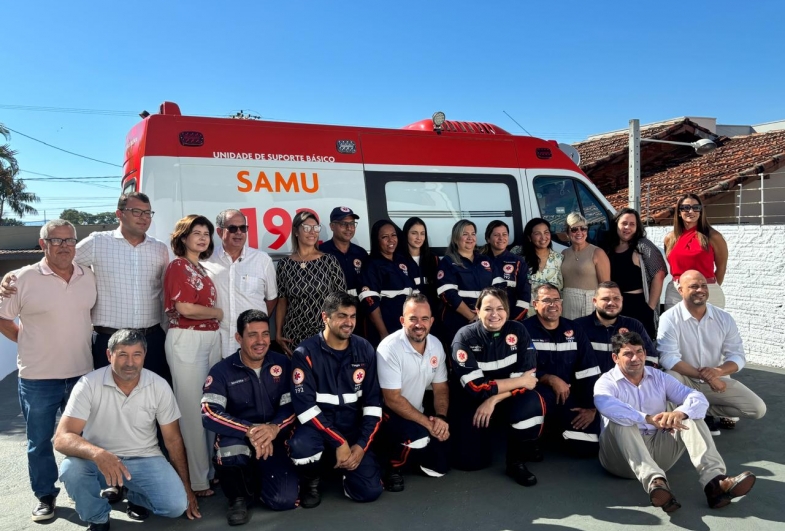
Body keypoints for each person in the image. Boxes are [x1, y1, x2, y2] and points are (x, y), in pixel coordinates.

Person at [0, 192, 171, 382]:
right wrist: (14, 275)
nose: (144, 218)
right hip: (109, 341)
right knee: (107, 397)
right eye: (136, 212)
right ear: (119, 214)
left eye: (147, 213)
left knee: (154, 393)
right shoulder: (98, 242)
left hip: (151, 340)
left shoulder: (159, 249)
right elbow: (58, 259)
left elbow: (165, 291)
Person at [595, 331, 756, 512]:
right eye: (628, 354)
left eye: (639, 352)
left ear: (645, 354)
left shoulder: (659, 377)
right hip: (620, 460)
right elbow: (606, 405)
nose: (635, 358)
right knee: (621, 420)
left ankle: (715, 483)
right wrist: (647, 419)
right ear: (615, 358)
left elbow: (696, 397)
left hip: (658, 454)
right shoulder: (606, 382)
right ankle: (654, 480)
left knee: (690, 416)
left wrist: (680, 413)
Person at [0, 220, 97, 522]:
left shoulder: (88, 276)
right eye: (56, 240)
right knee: (39, 441)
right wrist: (26, 340)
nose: (64, 246)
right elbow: (3, 318)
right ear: (43, 244)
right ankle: (45, 496)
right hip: (37, 378)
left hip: (81, 374)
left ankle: (88, 490)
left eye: (70, 240)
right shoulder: (21, 278)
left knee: (85, 436)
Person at [55, 330, 199, 530]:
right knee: (72, 469)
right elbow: (61, 438)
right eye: (122, 354)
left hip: (144, 457)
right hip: (99, 460)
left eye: (136, 354)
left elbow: (173, 440)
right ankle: (97, 517)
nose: (130, 362)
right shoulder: (88, 384)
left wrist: (187, 488)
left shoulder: (158, 385)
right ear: (109, 355)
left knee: (175, 506)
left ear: (144, 356)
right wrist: (97, 453)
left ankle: (135, 495)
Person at [201, 310, 297, 526]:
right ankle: (238, 499)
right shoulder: (222, 370)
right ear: (239, 338)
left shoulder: (282, 363)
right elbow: (209, 412)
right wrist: (250, 430)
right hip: (238, 437)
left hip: (273, 438)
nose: (260, 341)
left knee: (284, 500)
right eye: (252, 335)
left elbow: (293, 404)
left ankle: (255, 477)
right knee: (230, 451)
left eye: (265, 334)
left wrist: (274, 428)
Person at [287, 292, 383, 507]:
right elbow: (305, 409)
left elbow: (373, 405)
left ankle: (345, 472)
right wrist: (339, 442)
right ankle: (311, 480)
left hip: (352, 429)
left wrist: (360, 446)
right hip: (318, 430)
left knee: (370, 492)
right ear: (325, 317)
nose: (349, 322)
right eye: (342, 316)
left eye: (353, 316)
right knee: (302, 447)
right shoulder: (305, 353)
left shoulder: (365, 349)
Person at [450, 288, 543, 486]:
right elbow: (476, 388)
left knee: (531, 404)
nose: (495, 314)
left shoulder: (518, 330)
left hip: (505, 397)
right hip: (473, 401)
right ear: (477, 311)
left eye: (500, 308)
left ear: (507, 311)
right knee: (470, 462)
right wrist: (519, 382)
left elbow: (529, 379)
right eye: (488, 309)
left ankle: (516, 462)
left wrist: (494, 399)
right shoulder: (464, 337)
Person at [658, 270, 766, 434]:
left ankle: (700, 410)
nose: (700, 290)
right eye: (694, 286)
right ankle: (677, 432)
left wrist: (718, 372)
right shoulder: (669, 318)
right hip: (685, 379)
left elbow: (737, 355)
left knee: (757, 408)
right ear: (680, 290)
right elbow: (668, 358)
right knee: (670, 377)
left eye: (703, 285)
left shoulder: (724, 318)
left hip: (716, 380)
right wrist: (707, 376)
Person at [164, 214, 223, 497]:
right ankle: (197, 481)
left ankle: (208, 472)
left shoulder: (200, 268)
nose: (202, 238)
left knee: (209, 407)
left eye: (206, 234)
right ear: (183, 237)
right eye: (196, 233)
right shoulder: (178, 266)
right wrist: (218, 313)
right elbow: (185, 308)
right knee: (190, 412)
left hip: (209, 339)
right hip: (187, 339)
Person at [375, 293, 450, 492]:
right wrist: (428, 424)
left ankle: (413, 453)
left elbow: (441, 388)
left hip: (416, 412)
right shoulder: (389, 348)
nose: (419, 324)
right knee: (417, 435)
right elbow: (392, 399)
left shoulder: (436, 345)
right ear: (402, 321)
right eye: (413, 318)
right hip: (387, 414)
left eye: (424, 319)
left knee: (440, 468)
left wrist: (441, 418)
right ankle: (392, 467)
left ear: (431, 321)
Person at [523, 283, 601, 456]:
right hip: (536, 394)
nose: (553, 304)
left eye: (556, 300)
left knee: (587, 447)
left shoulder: (574, 329)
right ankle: (530, 440)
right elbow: (521, 370)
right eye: (547, 300)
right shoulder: (524, 330)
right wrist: (549, 378)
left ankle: (557, 432)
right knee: (531, 405)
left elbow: (589, 370)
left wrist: (591, 408)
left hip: (568, 395)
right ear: (535, 304)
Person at [203, 209, 278, 358]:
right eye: (232, 228)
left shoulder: (262, 260)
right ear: (219, 232)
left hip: (253, 346)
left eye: (243, 228)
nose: (239, 233)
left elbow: (271, 299)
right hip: (217, 343)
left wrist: (255, 324)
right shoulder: (206, 260)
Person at [275, 211, 347, 355]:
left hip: (326, 333)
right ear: (296, 231)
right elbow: (282, 302)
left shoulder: (329, 261)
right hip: (294, 334)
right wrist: (278, 334)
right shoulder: (284, 265)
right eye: (307, 228)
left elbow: (342, 300)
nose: (312, 232)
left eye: (316, 228)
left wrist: (340, 329)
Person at [436, 219, 505, 347]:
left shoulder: (485, 260)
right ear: (456, 239)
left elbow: (499, 289)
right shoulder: (448, 262)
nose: (470, 238)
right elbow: (448, 294)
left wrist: (488, 314)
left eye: (473, 234)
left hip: (486, 321)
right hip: (459, 322)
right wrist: (472, 317)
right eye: (465, 234)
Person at [603, 207, 667, 338]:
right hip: (615, 305)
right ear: (616, 224)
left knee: (639, 345)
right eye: (624, 223)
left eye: (632, 224)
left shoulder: (643, 245)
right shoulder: (609, 247)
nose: (627, 227)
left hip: (637, 306)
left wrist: (650, 308)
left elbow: (659, 273)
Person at [574, 281, 658, 373]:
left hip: (626, 382)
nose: (611, 303)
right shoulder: (578, 327)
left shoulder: (634, 325)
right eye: (605, 299)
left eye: (616, 298)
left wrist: (634, 377)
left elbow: (651, 359)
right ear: (595, 301)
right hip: (589, 382)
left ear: (622, 300)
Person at [663, 194, 728, 310]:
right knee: (675, 322)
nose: (691, 211)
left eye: (696, 207)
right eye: (686, 208)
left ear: (701, 211)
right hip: (676, 292)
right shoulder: (670, 238)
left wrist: (708, 288)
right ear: (679, 212)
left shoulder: (713, 237)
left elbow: (721, 268)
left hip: (705, 291)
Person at [360, 219, 418, 346]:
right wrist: (384, 334)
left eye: (393, 235)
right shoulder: (371, 265)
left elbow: (416, 296)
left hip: (407, 329)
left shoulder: (403, 261)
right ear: (377, 240)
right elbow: (371, 303)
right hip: (387, 329)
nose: (391, 240)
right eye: (385, 237)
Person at [560, 212, 610, 320]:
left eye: (583, 229)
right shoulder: (564, 253)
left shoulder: (598, 253)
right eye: (574, 229)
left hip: (589, 305)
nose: (579, 232)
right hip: (567, 305)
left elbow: (605, 287)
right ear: (567, 232)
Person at [479, 220, 531, 320]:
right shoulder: (478, 261)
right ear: (488, 239)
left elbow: (524, 296)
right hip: (483, 319)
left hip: (510, 318)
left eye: (504, 234)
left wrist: (513, 320)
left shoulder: (518, 262)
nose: (501, 238)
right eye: (496, 235)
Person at [320, 206, 368, 299]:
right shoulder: (321, 252)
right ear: (332, 226)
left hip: (359, 306)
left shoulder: (361, 253)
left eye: (352, 223)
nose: (349, 228)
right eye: (343, 224)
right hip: (333, 306)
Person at [398, 217, 441, 318]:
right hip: (408, 313)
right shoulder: (397, 259)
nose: (419, 237)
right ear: (406, 234)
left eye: (422, 233)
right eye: (414, 233)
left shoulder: (433, 259)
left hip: (431, 313)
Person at [517, 217, 563, 293]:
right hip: (526, 301)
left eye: (546, 232)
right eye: (537, 233)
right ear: (529, 237)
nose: (543, 237)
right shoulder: (520, 258)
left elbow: (562, 288)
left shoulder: (559, 259)